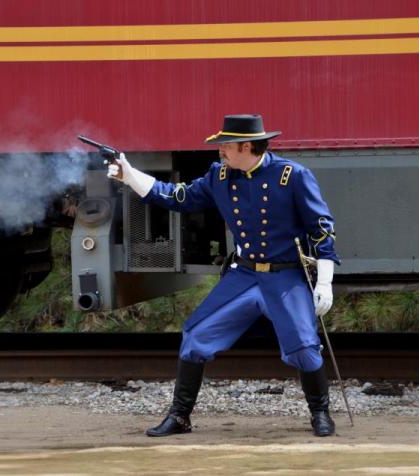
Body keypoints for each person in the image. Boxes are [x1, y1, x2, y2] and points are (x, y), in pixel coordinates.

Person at [107, 114, 340, 437]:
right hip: (243, 276)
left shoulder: (292, 176)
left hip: (284, 277)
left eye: (226, 146)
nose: (220, 152)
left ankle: (320, 414)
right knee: (195, 336)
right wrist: (130, 176)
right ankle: (180, 417)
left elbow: (321, 229)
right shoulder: (219, 177)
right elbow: (179, 197)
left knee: (303, 347)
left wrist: (325, 281)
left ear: (247, 146)